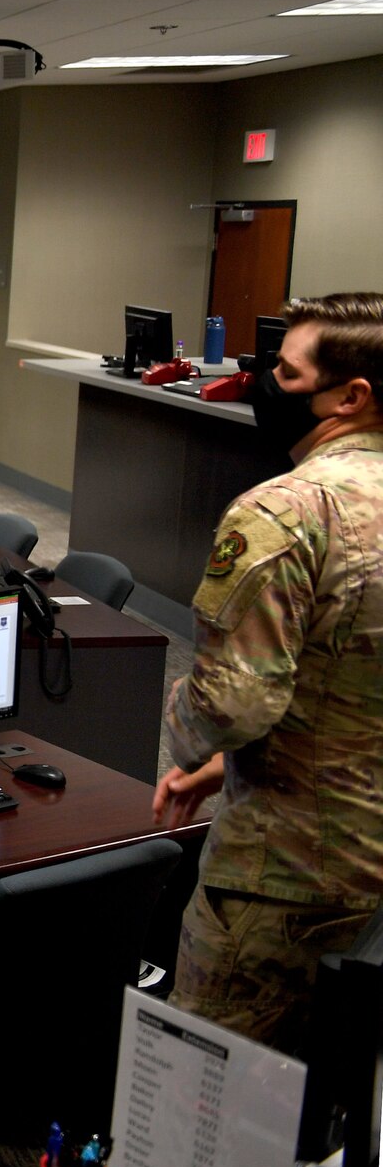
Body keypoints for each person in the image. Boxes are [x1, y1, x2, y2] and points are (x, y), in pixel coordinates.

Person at [152, 292, 383, 1053]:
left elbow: (231, 701)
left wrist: (190, 735)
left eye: (284, 372)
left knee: (207, 1110)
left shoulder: (286, 512)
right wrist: (223, 768)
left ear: (350, 397)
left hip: (285, 878)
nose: (263, 384)